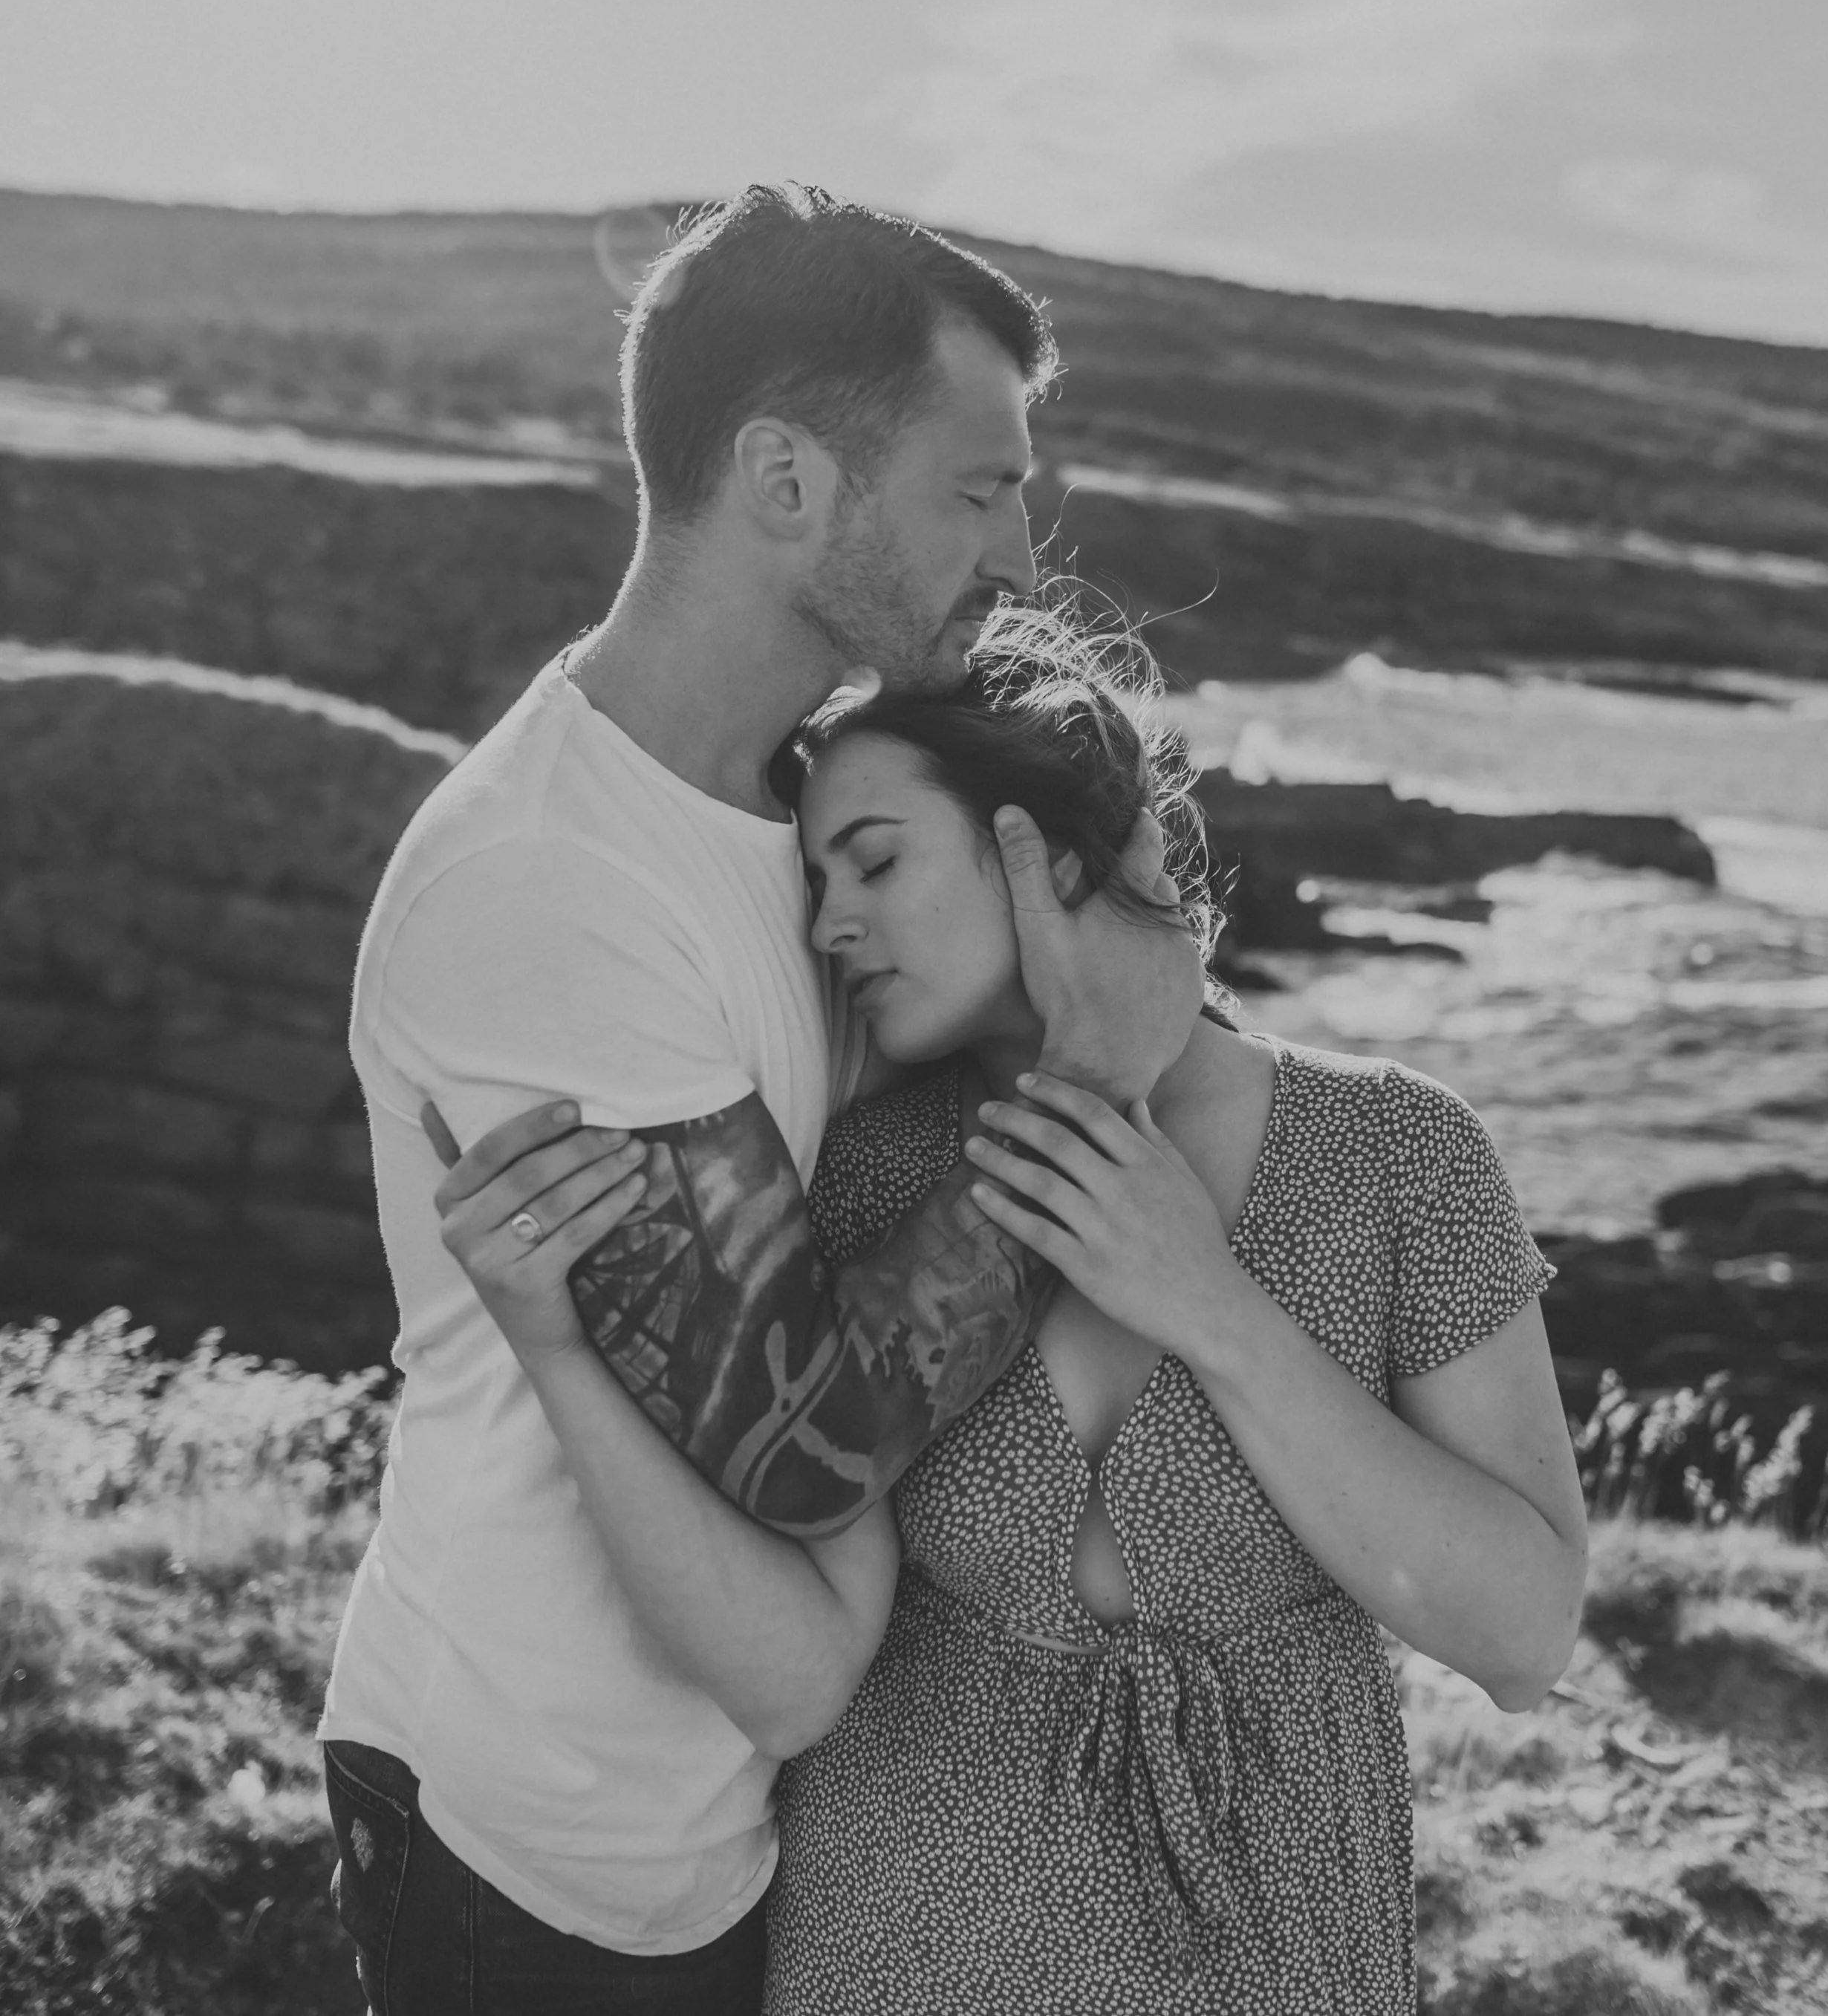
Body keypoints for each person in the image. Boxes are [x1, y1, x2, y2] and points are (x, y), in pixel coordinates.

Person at [435, 603, 1589, 2014]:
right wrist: (556, 1345)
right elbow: (798, 1653)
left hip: (1279, 1959)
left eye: (877, 859)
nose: (829, 923)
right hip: (903, 1952)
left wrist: (1212, 1307)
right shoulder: (864, 1178)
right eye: (815, 881)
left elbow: (1525, 1638)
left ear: (1050, 852)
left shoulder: (1396, 1153)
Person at [318, 184, 1201, 2015]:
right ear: (786, 478)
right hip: (534, 1840)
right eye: (977, 489)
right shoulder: (554, 886)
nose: (1020, 554)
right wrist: (1091, 1079)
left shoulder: (802, 809)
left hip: (726, 1823)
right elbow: (800, 1437)